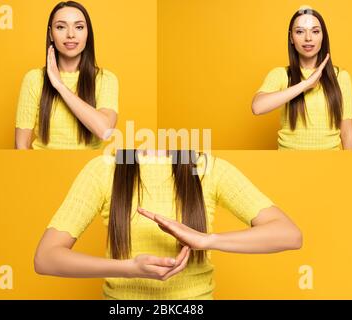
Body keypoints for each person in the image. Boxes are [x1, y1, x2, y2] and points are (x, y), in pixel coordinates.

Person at [34, 150, 302, 300]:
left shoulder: (208, 168)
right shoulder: (104, 168)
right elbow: (46, 258)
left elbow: (289, 235)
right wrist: (128, 269)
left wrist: (207, 240)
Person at [15, 1, 118, 150]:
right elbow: (21, 145)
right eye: (61, 27)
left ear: (87, 33)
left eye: (79, 27)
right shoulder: (34, 79)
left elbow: (105, 131)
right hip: (43, 169)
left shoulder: (105, 79)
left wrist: (60, 86)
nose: (70, 34)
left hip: (89, 170)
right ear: (51, 34)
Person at [252, 6, 352, 150]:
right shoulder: (281, 74)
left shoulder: (340, 77)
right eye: (300, 31)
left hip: (331, 164)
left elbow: (347, 133)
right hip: (288, 163)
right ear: (291, 38)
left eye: (315, 31)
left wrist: (349, 168)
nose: (308, 38)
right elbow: (257, 107)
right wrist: (306, 84)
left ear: (323, 36)